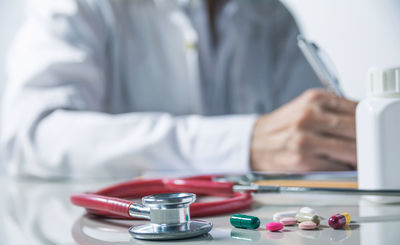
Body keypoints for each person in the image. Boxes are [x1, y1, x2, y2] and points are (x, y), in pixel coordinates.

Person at [0, 0, 357, 179]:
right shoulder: (83, 7)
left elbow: (312, 153)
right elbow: (29, 134)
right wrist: (242, 143)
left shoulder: (270, 15)